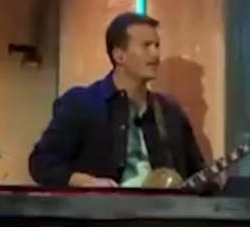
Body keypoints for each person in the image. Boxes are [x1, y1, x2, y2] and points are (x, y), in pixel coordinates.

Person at [28, 12, 207, 188]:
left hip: (162, 206)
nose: (155, 53)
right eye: (146, 46)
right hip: (105, 206)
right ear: (119, 55)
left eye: (157, 45)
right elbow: (42, 163)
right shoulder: (81, 103)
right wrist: (86, 182)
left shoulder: (170, 111)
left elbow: (197, 173)